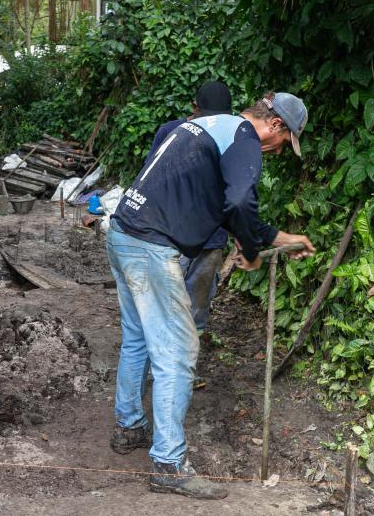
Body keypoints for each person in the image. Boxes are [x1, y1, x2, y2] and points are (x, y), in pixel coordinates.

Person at [106, 91, 315, 499]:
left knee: (137, 338)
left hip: (124, 234)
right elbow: (238, 200)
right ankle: (169, 463)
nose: (277, 151)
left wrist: (275, 236)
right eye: (283, 142)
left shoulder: (207, 126)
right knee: (178, 352)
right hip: (152, 247)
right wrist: (251, 252)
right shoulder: (245, 138)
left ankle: (128, 425)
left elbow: (219, 200)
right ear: (275, 125)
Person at [147, 82, 233, 344]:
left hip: (210, 241)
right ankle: (164, 364)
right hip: (172, 237)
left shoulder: (230, 137)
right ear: (193, 108)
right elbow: (153, 179)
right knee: (166, 304)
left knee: (197, 308)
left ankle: (186, 367)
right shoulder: (171, 132)